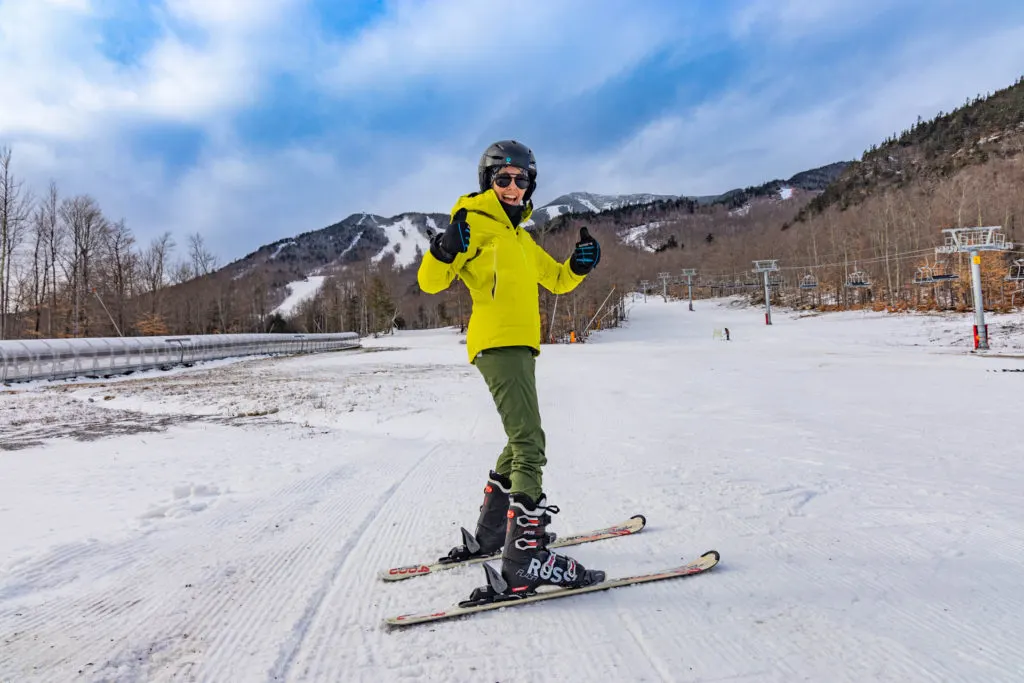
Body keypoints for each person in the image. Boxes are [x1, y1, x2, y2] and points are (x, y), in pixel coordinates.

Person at [417, 140, 604, 595]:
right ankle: (525, 559)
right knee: (529, 441)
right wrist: (444, 249)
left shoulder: (520, 236)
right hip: (497, 344)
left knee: (517, 438)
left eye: (522, 180)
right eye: (504, 178)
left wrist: (579, 266)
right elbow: (430, 282)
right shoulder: (472, 226)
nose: (513, 186)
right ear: (489, 181)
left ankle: (492, 534)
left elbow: (557, 280)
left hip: (522, 345)